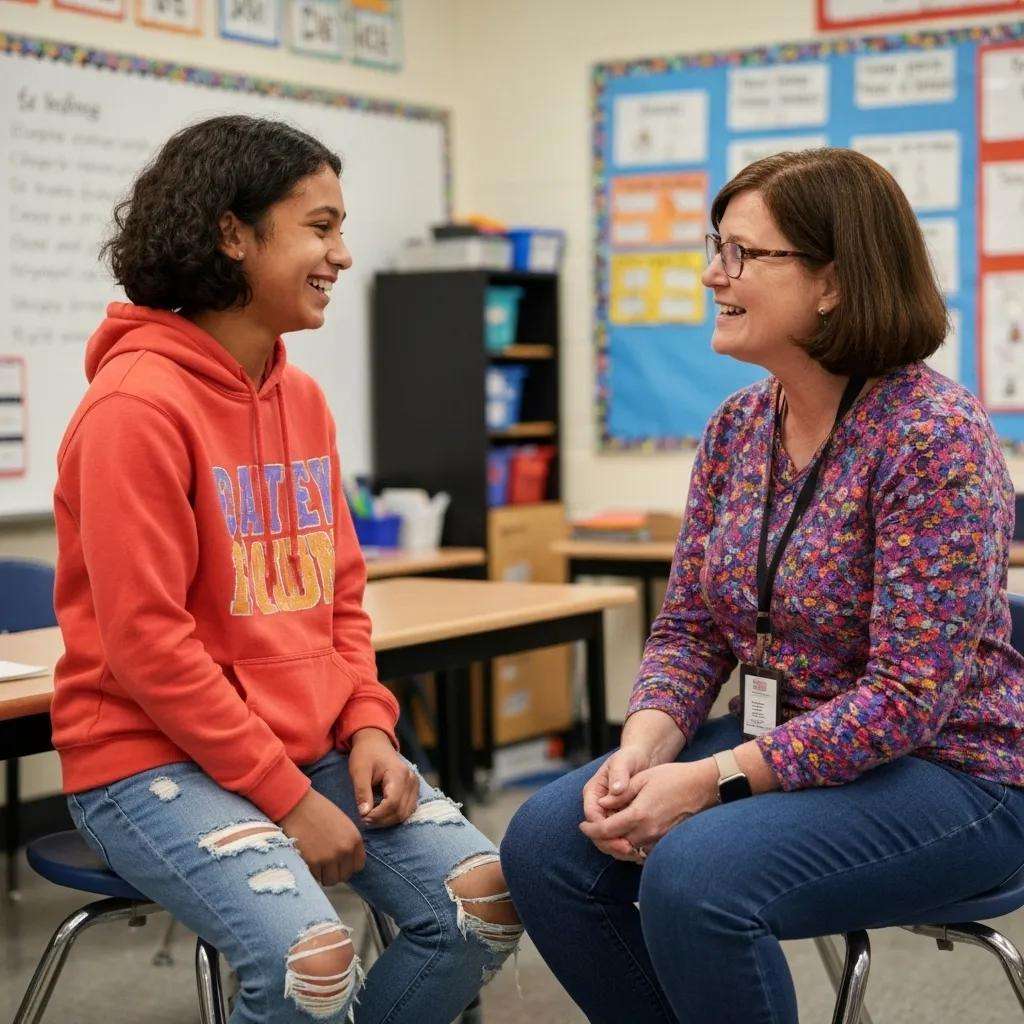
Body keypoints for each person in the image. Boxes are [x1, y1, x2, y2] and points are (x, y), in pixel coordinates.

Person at [500, 148, 1024, 1024]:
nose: (715, 273)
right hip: (784, 752)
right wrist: (644, 748)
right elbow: (692, 629)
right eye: (717, 248)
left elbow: (906, 699)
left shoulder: (934, 437)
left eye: (743, 254)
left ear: (833, 282)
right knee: (546, 844)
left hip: (955, 776)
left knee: (698, 877)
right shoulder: (739, 427)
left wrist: (712, 782)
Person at [51, 114, 520, 1024]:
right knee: (313, 959)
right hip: (148, 761)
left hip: (313, 747)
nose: (342, 255)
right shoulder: (134, 408)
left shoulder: (300, 396)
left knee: (481, 905)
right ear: (233, 232)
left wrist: (370, 727)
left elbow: (339, 597)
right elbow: (147, 648)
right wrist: (285, 799)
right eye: (321, 225)